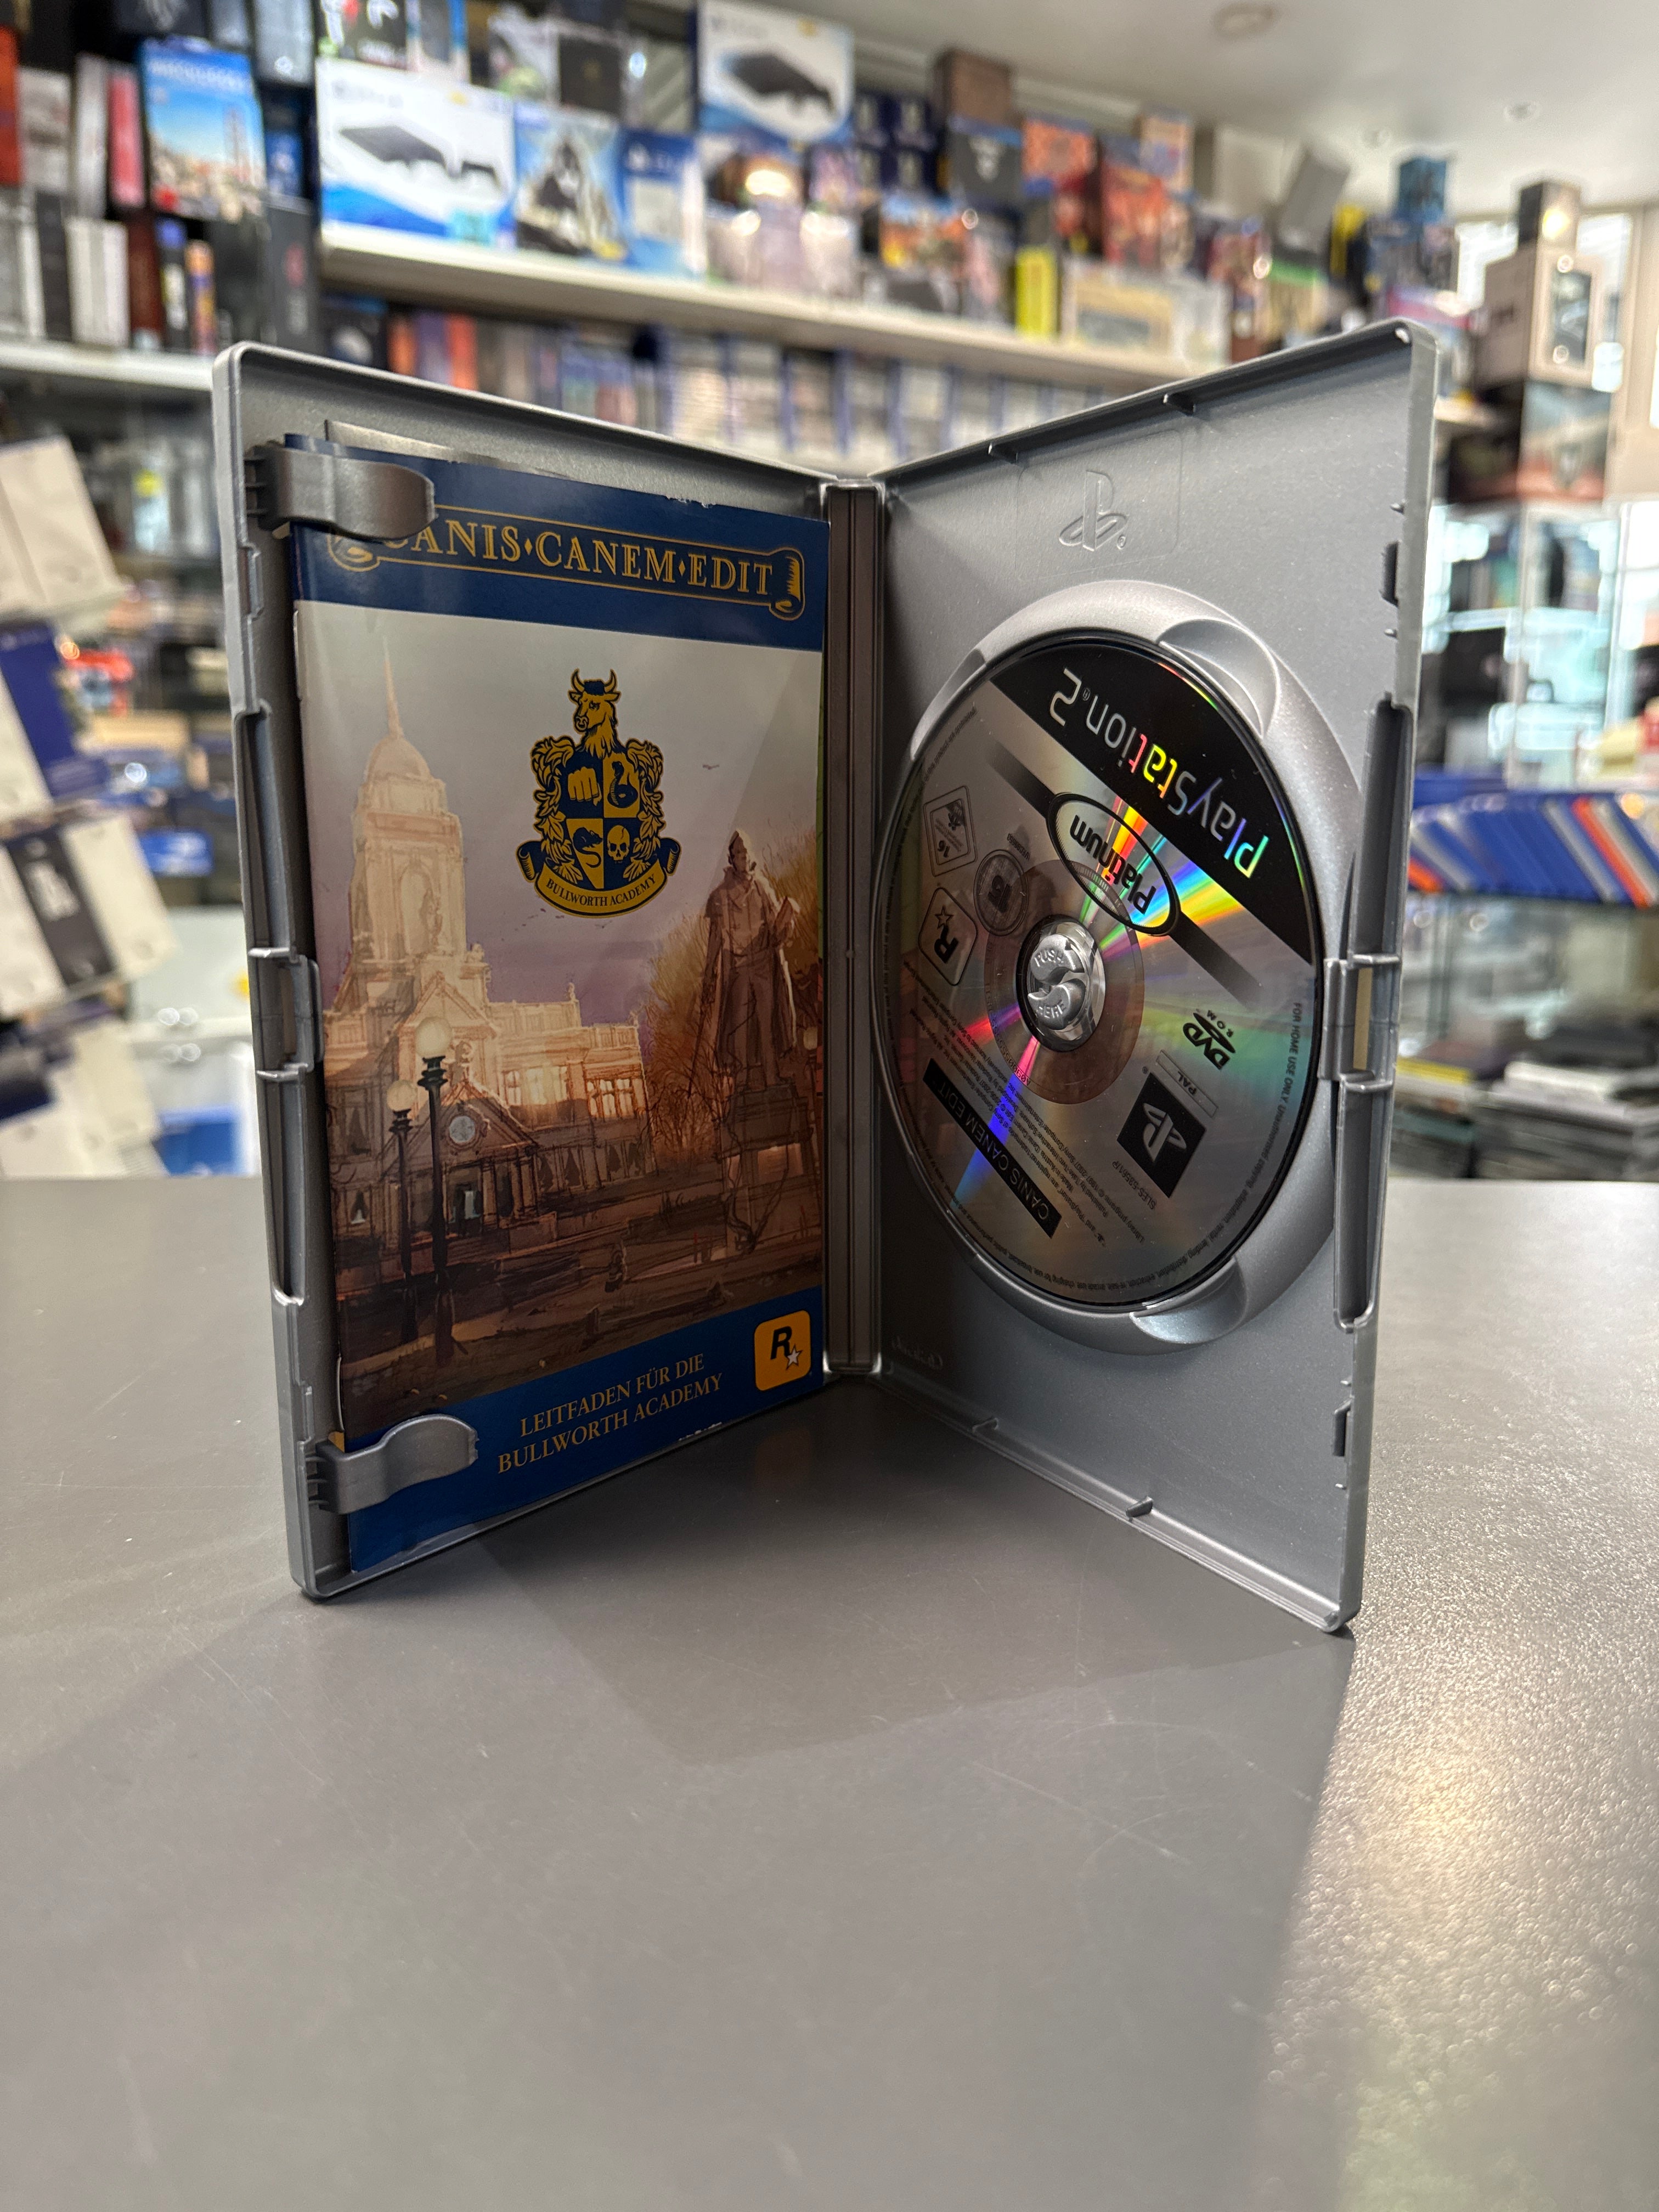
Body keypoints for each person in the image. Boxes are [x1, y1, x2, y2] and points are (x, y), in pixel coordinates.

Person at [696, 831, 797, 1091]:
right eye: (739, 854)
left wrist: (786, 924)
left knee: (767, 1022)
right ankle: (741, 1084)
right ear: (732, 858)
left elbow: (774, 929)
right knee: (739, 1025)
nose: (743, 857)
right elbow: (715, 939)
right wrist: (709, 974)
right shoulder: (720, 896)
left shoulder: (762, 888)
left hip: (763, 964)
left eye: (746, 853)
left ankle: (772, 1077)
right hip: (738, 969)